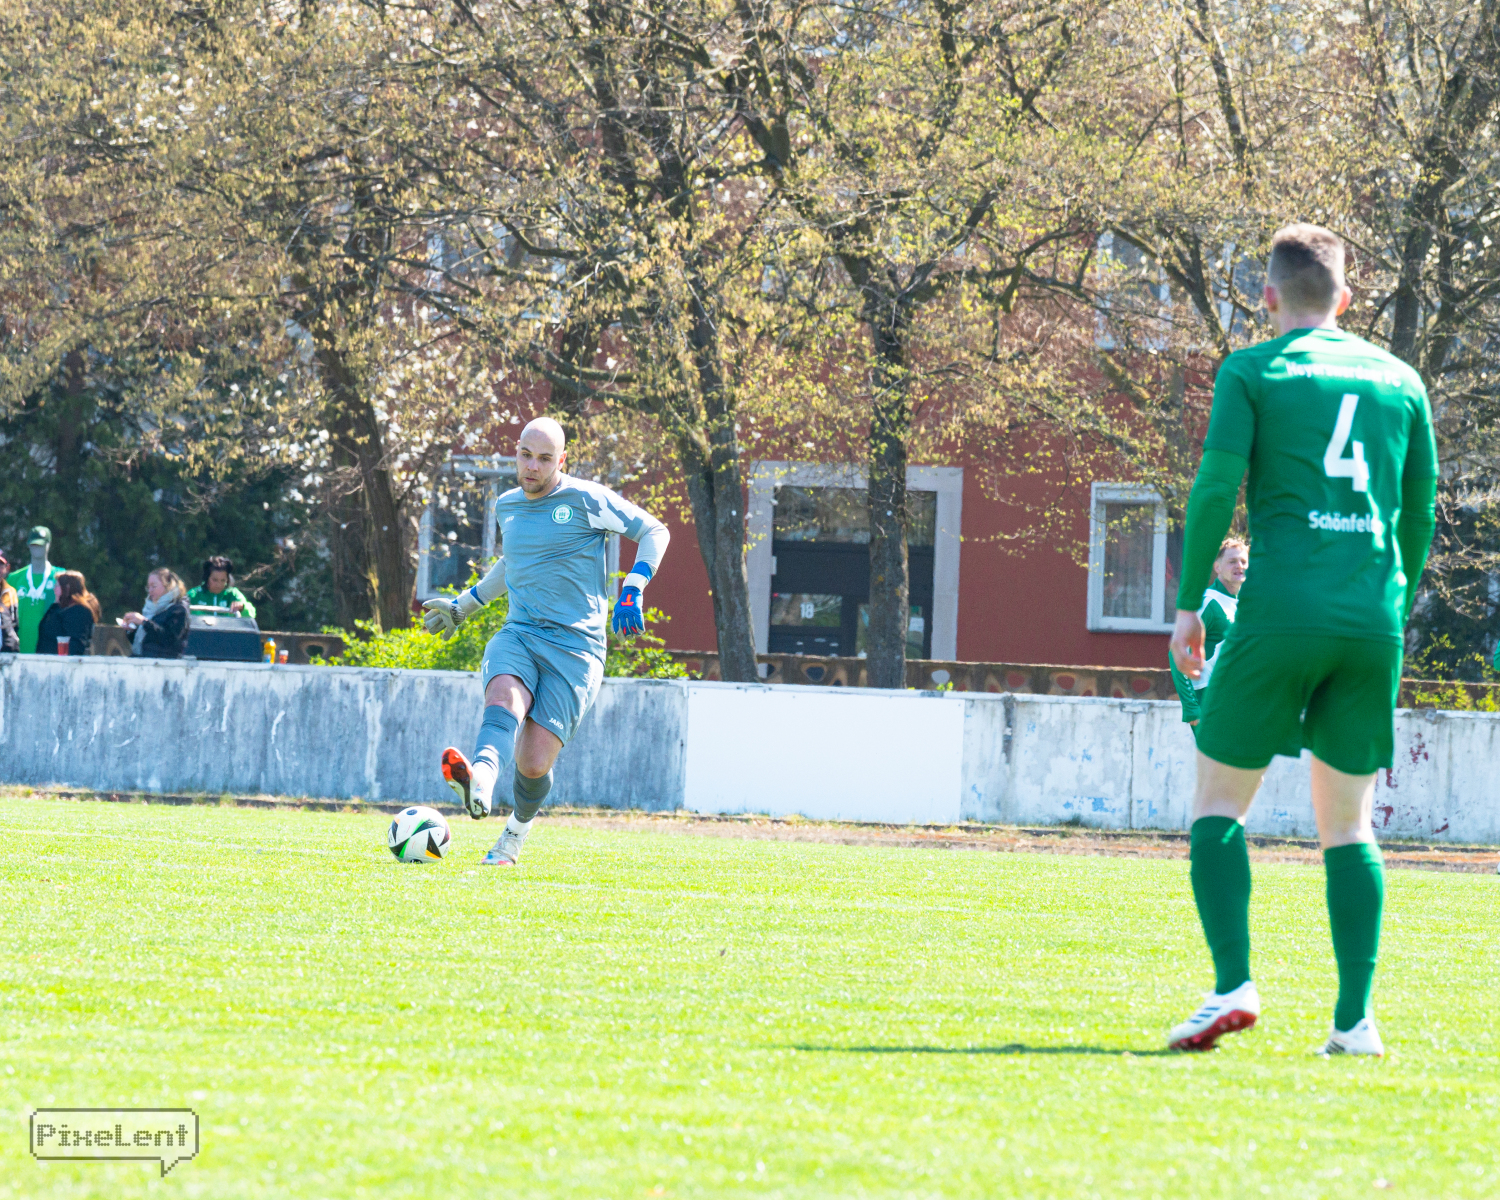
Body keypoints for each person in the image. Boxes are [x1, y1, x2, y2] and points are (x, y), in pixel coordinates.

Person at [1167, 224, 1437, 1058]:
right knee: (1349, 826)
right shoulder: (1402, 380)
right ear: (1346, 299)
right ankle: (1354, 1023)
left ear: (1268, 295)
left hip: (1279, 614)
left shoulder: (1252, 370)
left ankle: (1232, 986)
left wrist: (1188, 605)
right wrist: (1391, 605)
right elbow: (1419, 514)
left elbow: (1216, 486)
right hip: (1370, 622)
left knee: (1219, 804)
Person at [421, 417, 669, 867]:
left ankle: (513, 836)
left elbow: (655, 531)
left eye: (544, 458)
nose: (532, 466)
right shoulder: (508, 505)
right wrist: (463, 606)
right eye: (525, 455)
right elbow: (512, 563)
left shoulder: (587, 500)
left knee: (533, 764)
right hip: (521, 633)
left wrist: (633, 587)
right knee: (503, 696)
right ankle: (481, 778)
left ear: (562, 460)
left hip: (577, 650)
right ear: (516, 452)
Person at [1169, 537, 1248, 730]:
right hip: (1208, 701)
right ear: (1217, 567)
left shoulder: (1244, 604)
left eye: (1243, 561)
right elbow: (1176, 653)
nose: (1239, 566)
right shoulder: (1208, 602)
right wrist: (1191, 706)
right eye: (1232, 561)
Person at [7, 526, 65, 653]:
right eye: (34, 545)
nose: (38, 548)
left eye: (42, 545)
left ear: (49, 545)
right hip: (18, 649)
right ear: (28, 545)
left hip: (50, 650)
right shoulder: (14, 578)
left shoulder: (61, 577)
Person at [121, 568, 191, 659]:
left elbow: (169, 639)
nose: (150, 590)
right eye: (148, 587)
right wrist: (132, 630)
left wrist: (144, 622)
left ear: (168, 586)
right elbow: (146, 641)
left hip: (164, 662)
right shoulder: (151, 609)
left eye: (154, 586)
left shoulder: (178, 610)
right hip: (145, 658)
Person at [35, 571, 101, 656]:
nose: (54, 589)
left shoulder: (79, 611)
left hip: (62, 661)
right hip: (46, 658)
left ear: (67, 587)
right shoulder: (57, 608)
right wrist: (56, 602)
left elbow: (75, 643)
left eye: (57, 586)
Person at [186, 556, 257, 619]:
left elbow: (252, 613)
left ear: (227, 579)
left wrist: (242, 607)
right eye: (215, 580)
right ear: (207, 578)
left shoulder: (233, 594)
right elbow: (181, 610)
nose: (219, 584)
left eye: (223, 580)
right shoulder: (194, 594)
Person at [0, 552, 18, 653]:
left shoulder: (11, 592)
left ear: (7, 568)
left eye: (0, 565)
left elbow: (14, 624)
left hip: (6, 652)